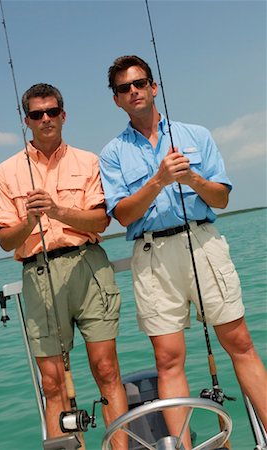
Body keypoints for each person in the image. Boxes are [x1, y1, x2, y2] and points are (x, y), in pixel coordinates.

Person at [99, 55, 267, 449]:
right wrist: (158, 180)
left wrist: (190, 176)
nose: (134, 92)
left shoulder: (197, 134)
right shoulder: (113, 153)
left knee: (240, 342)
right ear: (117, 101)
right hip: (152, 254)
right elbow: (122, 214)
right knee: (169, 359)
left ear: (154, 88)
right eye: (124, 88)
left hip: (203, 243)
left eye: (140, 83)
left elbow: (221, 197)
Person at [0, 83, 128, 449]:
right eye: (37, 114)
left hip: (88, 269)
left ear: (64, 115)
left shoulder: (88, 161)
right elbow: (5, 240)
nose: (46, 119)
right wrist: (29, 221)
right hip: (38, 273)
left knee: (107, 369)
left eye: (52, 112)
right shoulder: (5, 172)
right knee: (52, 383)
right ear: (27, 122)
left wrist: (56, 210)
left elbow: (100, 221)